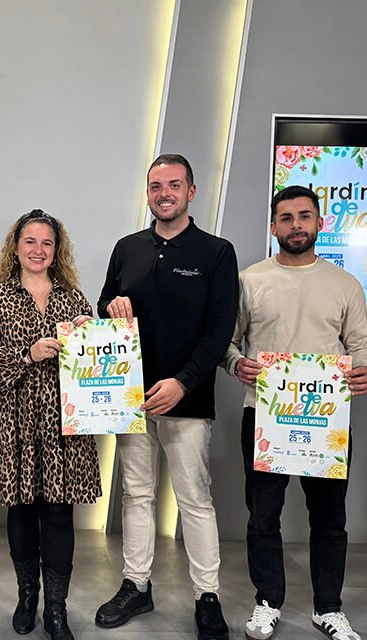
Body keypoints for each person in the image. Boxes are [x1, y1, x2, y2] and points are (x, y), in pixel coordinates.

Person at [223, 185, 367, 640]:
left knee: (330, 520)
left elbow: (362, 346)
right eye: (286, 218)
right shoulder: (250, 280)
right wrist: (236, 363)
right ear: (273, 226)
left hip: (326, 422)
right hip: (265, 417)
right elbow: (228, 342)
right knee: (262, 517)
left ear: (319, 223)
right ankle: (268, 601)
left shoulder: (345, 284)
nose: (296, 225)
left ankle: (328, 607)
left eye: (304, 216)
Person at [95, 154, 237, 640]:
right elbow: (103, 309)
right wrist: (110, 308)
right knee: (136, 494)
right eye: (156, 185)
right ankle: (136, 584)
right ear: (149, 192)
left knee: (194, 499)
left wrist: (182, 382)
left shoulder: (216, 253)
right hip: (130, 398)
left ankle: (207, 596)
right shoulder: (127, 247)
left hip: (187, 399)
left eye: (174, 185)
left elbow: (220, 332)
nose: (164, 193)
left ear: (191, 192)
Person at [0, 209, 100, 640]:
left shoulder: (74, 299)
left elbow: (96, 361)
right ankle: (27, 596)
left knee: (60, 513)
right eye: (31, 241)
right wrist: (29, 354)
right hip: (15, 418)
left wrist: (91, 333)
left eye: (47, 243)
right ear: (16, 246)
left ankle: (56, 610)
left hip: (64, 421)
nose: (38, 250)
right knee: (22, 508)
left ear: (56, 250)